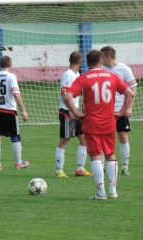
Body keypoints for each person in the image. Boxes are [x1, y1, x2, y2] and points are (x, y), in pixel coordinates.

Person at [63, 49, 134, 200]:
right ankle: (113, 191)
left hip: (91, 123)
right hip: (109, 122)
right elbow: (130, 93)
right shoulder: (113, 76)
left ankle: (101, 193)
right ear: (101, 62)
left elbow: (67, 96)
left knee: (95, 157)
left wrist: (76, 113)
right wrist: (121, 112)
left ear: (87, 63)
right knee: (110, 155)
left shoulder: (83, 78)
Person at [100, 46, 137, 176]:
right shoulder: (101, 70)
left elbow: (133, 89)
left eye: (102, 57)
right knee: (103, 139)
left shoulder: (125, 69)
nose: (101, 59)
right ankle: (101, 167)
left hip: (121, 110)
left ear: (108, 57)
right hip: (105, 111)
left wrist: (130, 107)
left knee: (123, 136)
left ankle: (125, 167)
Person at [55, 51, 92, 178]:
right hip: (67, 111)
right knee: (65, 140)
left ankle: (80, 169)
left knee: (84, 139)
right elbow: (64, 93)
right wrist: (71, 111)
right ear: (80, 62)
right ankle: (58, 170)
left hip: (76, 112)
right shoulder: (68, 75)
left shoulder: (77, 75)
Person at [0, 55, 29, 171]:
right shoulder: (11, 76)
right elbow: (16, 94)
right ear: (10, 65)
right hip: (9, 110)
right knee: (15, 136)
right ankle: (18, 163)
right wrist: (23, 111)